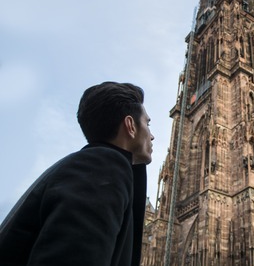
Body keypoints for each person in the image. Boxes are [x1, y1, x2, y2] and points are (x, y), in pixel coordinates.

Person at [0, 81, 154, 266]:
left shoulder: (86, 165)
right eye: (147, 123)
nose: (151, 135)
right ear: (130, 125)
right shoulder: (103, 167)